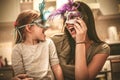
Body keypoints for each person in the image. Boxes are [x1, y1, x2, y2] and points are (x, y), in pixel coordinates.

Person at [48, 0, 110, 80]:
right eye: (66, 18)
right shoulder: (56, 41)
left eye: (73, 17)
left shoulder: (101, 49)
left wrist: (80, 42)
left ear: (86, 20)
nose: (67, 22)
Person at [12, 10, 64, 80]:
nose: (46, 26)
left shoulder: (48, 43)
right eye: (41, 23)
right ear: (28, 28)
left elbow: (56, 67)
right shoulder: (17, 49)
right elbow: (20, 76)